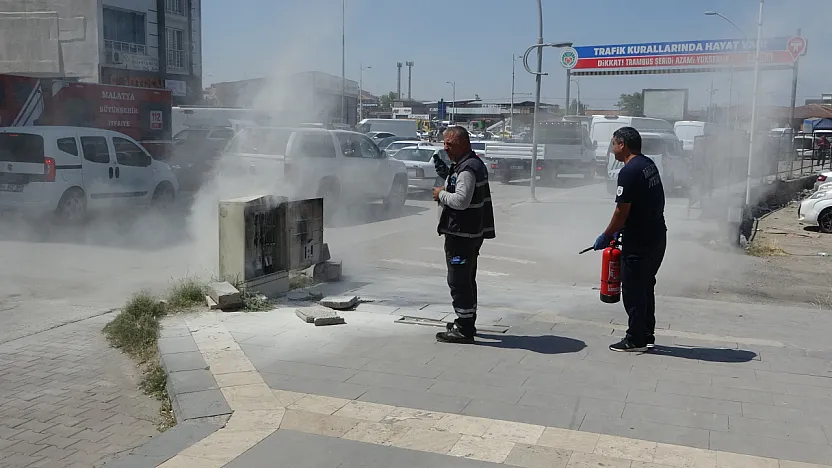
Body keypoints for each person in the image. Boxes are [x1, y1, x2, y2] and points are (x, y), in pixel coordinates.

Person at [593, 127, 667, 352]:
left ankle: (635, 339)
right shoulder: (648, 165)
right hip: (657, 235)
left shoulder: (628, 171)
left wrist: (607, 234)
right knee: (646, 286)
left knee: (634, 290)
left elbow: (621, 211)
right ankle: (647, 333)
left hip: (639, 241)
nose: (612, 148)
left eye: (613, 143)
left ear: (622, 144)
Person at [432, 126, 496, 344]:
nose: (445, 148)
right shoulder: (467, 164)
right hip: (469, 233)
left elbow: (461, 200)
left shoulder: (468, 168)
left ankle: (464, 328)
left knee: (458, 280)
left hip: (462, 234)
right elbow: (463, 188)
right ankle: (466, 320)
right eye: (444, 143)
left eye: (449, 144)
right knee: (467, 279)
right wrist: (447, 174)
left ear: (463, 144)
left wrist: (441, 194)